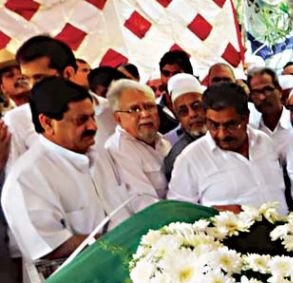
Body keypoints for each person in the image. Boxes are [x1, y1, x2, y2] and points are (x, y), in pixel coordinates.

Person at [1, 77, 131, 266]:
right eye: (81, 120)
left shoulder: (99, 156)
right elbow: (52, 248)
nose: (93, 127)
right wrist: (122, 244)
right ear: (47, 123)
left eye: (92, 117)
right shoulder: (25, 180)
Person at [169, 82, 288, 214]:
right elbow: (177, 214)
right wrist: (211, 214)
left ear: (246, 118)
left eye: (230, 125)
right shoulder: (190, 159)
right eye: (214, 125)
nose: (222, 134)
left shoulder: (264, 141)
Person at [4, 36, 116, 169]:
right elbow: (19, 177)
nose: (33, 88)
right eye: (27, 79)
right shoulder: (18, 120)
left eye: (40, 79)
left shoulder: (112, 111)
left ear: (68, 74)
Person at [247, 66, 293, 209]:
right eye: (257, 92)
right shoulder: (252, 133)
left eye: (267, 90)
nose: (263, 97)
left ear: (279, 91)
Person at [105, 80, 171, 207]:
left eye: (149, 106)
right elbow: (144, 205)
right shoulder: (118, 150)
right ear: (118, 118)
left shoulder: (164, 142)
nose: (145, 114)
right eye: (134, 109)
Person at [163, 74, 206, 181]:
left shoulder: (229, 137)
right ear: (178, 117)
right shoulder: (177, 156)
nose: (192, 114)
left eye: (196, 106)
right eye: (183, 111)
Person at [156, 50, 193, 134]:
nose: (170, 79)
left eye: (176, 74)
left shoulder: (201, 104)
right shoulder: (154, 108)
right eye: (166, 73)